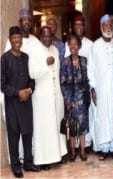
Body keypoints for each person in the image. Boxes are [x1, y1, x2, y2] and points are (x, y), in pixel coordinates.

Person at [3, 8, 42, 166]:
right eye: (14, 38)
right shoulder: (4, 59)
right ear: (10, 40)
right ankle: (15, 165)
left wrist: (29, 90)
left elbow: (32, 78)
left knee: (27, 132)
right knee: (13, 134)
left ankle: (28, 162)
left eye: (19, 38)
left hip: (26, 101)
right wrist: (17, 92)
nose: (17, 41)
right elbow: (2, 83)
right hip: (12, 101)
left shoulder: (27, 57)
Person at [29, 26, 67, 169]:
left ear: (52, 36)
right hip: (42, 97)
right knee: (44, 129)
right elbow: (32, 73)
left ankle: (57, 155)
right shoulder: (35, 51)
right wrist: (46, 64)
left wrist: (60, 95)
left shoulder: (56, 50)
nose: (47, 38)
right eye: (44, 36)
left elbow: (56, 74)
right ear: (40, 36)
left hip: (55, 96)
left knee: (55, 127)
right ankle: (43, 160)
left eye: (49, 36)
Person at [88, 14, 113, 160]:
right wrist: (93, 89)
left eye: (110, 25)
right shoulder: (95, 46)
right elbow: (90, 69)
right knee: (102, 117)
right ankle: (103, 149)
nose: (108, 28)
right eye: (105, 25)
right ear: (101, 27)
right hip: (101, 90)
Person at [64, 14, 94, 150]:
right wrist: (67, 98)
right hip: (71, 92)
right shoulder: (67, 44)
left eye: (81, 24)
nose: (78, 27)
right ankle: (73, 149)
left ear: (84, 26)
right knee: (72, 122)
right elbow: (65, 70)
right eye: (76, 24)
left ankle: (86, 145)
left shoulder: (90, 44)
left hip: (84, 92)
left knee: (85, 120)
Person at [61, 34, 90, 162]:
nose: (73, 46)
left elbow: (87, 79)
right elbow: (63, 83)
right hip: (70, 100)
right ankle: (72, 152)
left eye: (75, 44)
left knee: (82, 126)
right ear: (69, 46)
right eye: (71, 44)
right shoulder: (65, 62)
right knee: (72, 127)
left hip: (82, 99)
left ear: (79, 46)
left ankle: (82, 151)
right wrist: (67, 101)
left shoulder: (84, 60)